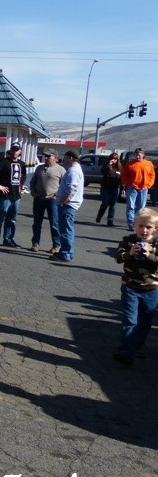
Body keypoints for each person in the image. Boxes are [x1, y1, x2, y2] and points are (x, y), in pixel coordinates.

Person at [112, 207, 158, 367]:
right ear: (134, 225)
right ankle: (126, 351)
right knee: (130, 319)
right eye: (141, 226)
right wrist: (130, 252)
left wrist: (149, 255)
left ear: (155, 228)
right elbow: (118, 258)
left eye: (148, 227)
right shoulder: (127, 240)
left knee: (145, 321)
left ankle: (137, 346)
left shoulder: (156, 243)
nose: (144, 230)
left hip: (151, 288)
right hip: (130, 286)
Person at [0, 143, 27, 248]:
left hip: (16, 196)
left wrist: (21, 185)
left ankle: (8, 239)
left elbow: (24, 174)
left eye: (17, 150)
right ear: (10, 151)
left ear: (20, 152)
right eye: (13, 149)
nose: (15, 151)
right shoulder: (4, 162)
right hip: (4, 196)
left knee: (12, 219)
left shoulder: (22, 164)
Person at [50, 150, 84, 262]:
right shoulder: (74, 170)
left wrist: (62, 201)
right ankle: (67, 251)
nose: (63, 160)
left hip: (68, 205)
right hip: (68, 204)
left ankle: (66, 253)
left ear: (71, 158)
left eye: (65, 157)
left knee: (65, 229)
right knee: (66, 229)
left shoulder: (73, 171)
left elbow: (70, 190)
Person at [29, 150, 65, 253]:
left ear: (56, 158)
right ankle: (35, 243)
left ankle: (56, 245)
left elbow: (64, 185)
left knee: (54, 223)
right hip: (39, 199)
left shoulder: (60, 170)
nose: (46, 158)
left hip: (52, 200)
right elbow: (33, 181)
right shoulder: (39, 168)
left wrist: (57, 195)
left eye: (49, 156)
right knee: (37, 223)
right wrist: (33, 191)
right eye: (46, 156)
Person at [121, 149, 156, 231]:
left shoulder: (148, 164)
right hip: (132, 188)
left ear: (143, 155)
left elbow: (152, 175)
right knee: (131, 206)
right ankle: (130, 223)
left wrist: (149, 184)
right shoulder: (130, 164)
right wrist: (128, 183)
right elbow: (123, 175)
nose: (137, 156)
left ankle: (138, 223)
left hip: (143, 188)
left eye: (139, 155)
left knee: (141, 208)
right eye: (136, 155)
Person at [95, 152, 122, 227]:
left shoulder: (119, 168)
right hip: (106, 187)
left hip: (115, 188)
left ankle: (110, 220)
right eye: (112, 158)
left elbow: (121, 178)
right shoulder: (106, 167)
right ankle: (99, 216)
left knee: (113, 205)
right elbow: (103, 171)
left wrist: (123, 188)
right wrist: (109, 164)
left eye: (116, 159)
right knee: (105, 203)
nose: (114, 160)